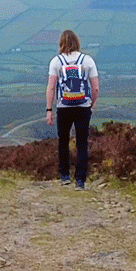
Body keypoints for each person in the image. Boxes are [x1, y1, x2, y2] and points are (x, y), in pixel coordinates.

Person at [45, 29, 100, 189]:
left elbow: (51, 87)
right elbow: (95, 88)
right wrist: (91, 103)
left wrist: (49, 109)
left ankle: (64, 175)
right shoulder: (87, 60)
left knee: (63, 141)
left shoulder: (56, 61)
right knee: (82, 143)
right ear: (77, 42)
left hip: (64, 107)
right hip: (83, 107)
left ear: (61, 43)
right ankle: (80, 180)